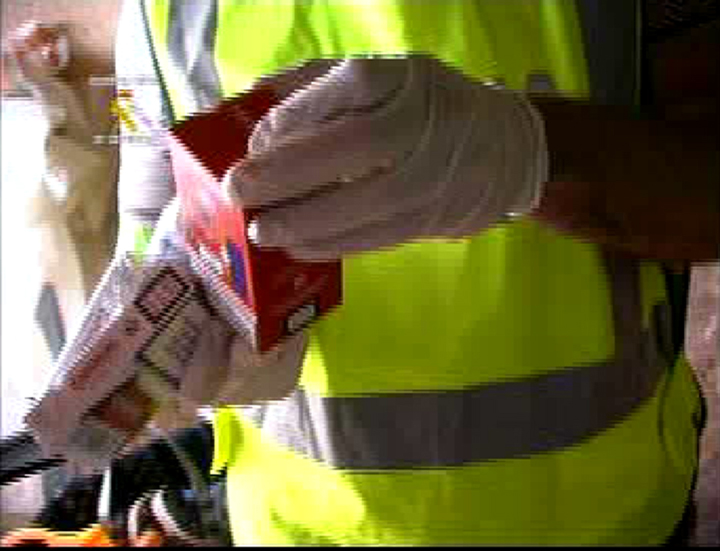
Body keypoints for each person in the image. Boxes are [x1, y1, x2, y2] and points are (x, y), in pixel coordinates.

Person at [113, 0, 718, 546]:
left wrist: (535, 150)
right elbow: (146, 243)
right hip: (296, 525)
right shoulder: (153, 12)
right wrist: (186, 346)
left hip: (603, 517)